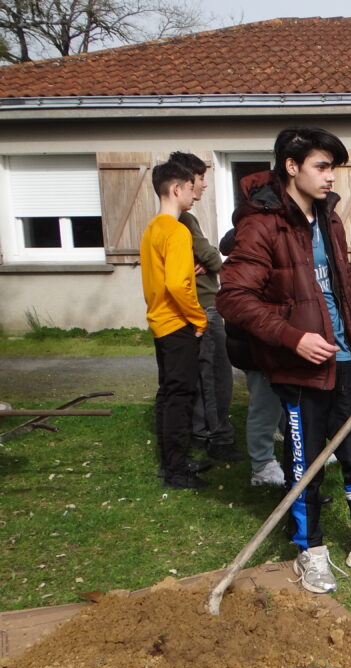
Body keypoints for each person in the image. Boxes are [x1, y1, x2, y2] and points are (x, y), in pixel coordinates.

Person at [217, 126, 351, 594]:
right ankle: (312, 551)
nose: (331, 178)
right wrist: (292, 338)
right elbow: (234, 298)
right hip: (298, 368)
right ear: (291, 167)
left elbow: (345, 292)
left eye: (334, 168)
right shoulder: (262, 224)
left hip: (344, 361)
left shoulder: (329, 218)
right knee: (305, 464)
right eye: (321, 167)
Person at [167, 152, 244, 464]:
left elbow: (206, 256)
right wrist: (209, 257)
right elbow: (211, 257)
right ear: (185, 182)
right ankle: (218, 438)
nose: (204, 186)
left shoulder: (173, 220)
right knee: (215, 376)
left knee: (204, 374)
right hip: (204, 306)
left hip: (195, 304)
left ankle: (202, 432)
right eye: (200, 179)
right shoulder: (185, 219)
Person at [139, 159, 208, 490]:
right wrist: (199, 318)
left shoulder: (153, 228)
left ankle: (173, 461)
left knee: (168, 394)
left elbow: (166, 279)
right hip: (178, 326)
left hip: (159, 324)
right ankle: (177, 471)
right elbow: (177, 286)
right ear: (176, 188)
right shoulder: (178, 231)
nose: (195, 195)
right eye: (191, 189)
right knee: (180, 397)